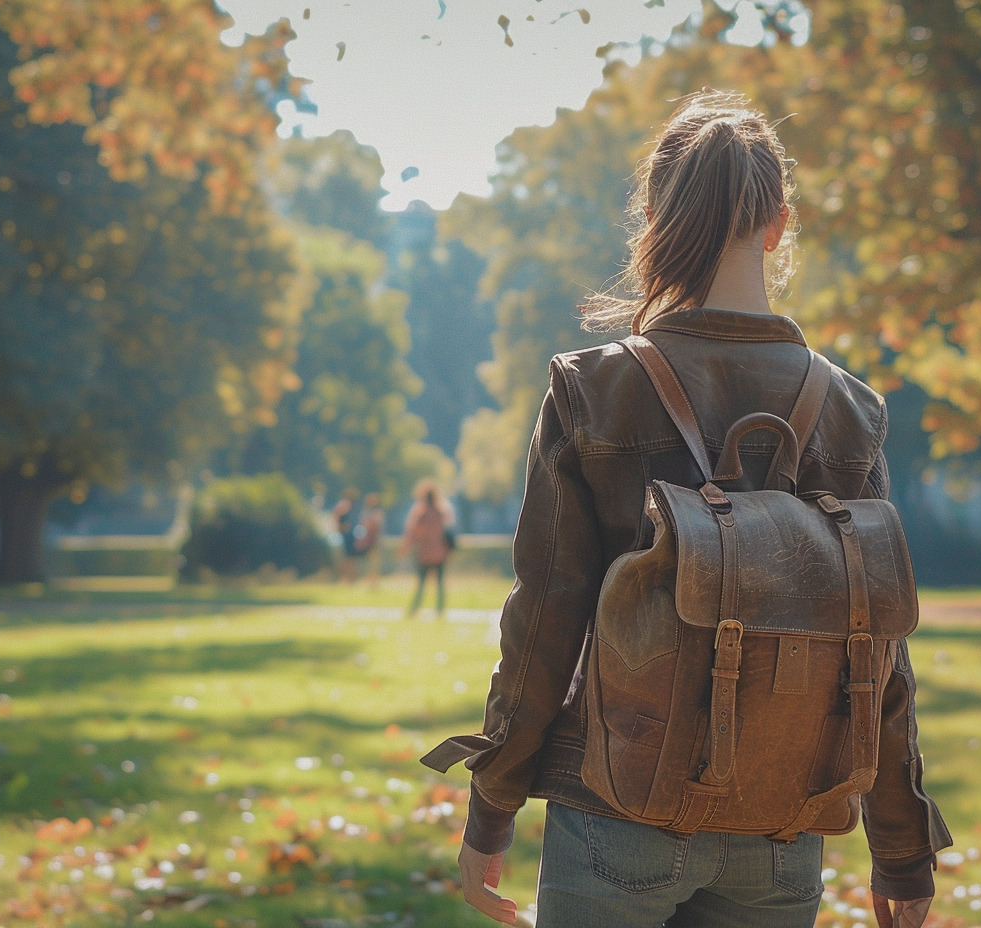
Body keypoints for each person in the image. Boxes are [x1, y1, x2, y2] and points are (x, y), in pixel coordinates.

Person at [423, 90, 951, 928]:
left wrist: (492, 805)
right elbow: (879, 651)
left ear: (655, 219)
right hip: (784, 818)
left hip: (616, 808)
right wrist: (903, 848)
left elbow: (545, 621)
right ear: (778, 224)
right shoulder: (852, 412)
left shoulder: (594, 388)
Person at [400, 479, 455, 617]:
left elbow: (412, 532)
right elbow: (448, 531)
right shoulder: (441, 511)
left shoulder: (420, 513)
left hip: (424, 553)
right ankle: (440, 610)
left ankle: (414, 609)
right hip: (440, 553)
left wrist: (405, 548)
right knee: (440, 583)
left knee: (421, 583)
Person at [354, 492, 386, 586]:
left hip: (375, 541)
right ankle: (367, 580)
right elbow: (363, 526)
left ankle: (374, 581)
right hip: (366, 541)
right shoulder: (366, 512)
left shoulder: (378, 512)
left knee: (375, 562)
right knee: (366, 562)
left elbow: (376, 526)